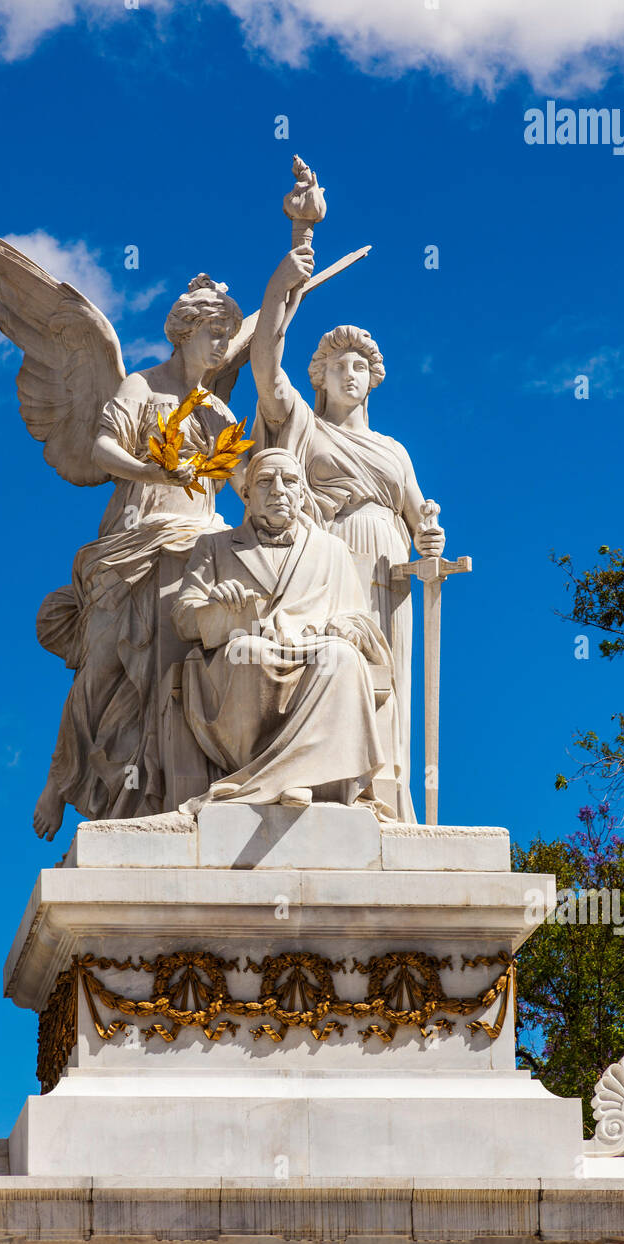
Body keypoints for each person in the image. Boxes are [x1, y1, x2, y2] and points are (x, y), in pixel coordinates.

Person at [32, 275, 245, 840]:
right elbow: (102, 449)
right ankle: (59, 780)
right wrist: (152, 470)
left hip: (199, 542)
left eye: (227, 334)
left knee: (172, 674)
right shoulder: (139, 385)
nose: (222, 344)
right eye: (213, 332)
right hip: (136, 539)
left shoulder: (214, 407)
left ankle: (162, 796)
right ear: (184, 332)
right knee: (101, 669)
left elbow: (245, 475)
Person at [250, 246, 446, 820]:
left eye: (360, 366)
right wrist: (280, 287)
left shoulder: (393, 450)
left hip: (390, 564)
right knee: (335, 660)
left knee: (389, 674)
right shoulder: (302, 426)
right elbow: (264, 362)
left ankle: (385, 793)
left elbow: (419, 517)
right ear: (321, 377)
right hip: (328, 557)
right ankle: (328, 781)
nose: (351, 374)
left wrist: (431, 540)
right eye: (340, 366)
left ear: (374, 379)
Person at [171, 448, 396, 813]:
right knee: (249, 653)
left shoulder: (332, 550)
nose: (279, 489)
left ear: (303, 495)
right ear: (245, 494)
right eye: (265, 481)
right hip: (244, 651)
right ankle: (269, 774)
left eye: (290, 481)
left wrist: (347, 627)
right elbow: (182, 619)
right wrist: (215, 606)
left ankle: (301, 777)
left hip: (314, 646)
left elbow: (360, 619)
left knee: (341, 658)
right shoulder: (214, 546)